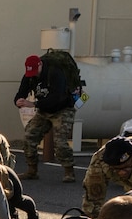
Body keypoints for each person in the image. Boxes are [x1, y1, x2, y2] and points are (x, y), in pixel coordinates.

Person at [15, 51, 83, 182]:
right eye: (31, 72)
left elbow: (57, 98)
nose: (34, 74)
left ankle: (69, 171)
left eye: (36, 71)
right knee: (29, 137)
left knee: (60, 142)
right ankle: (32, 170)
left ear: (40, 64)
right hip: (43, 110)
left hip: (63, 108)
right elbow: (21, 92)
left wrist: (33, 104)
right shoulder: (30, 76)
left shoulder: (55, 73)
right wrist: (19, 101)